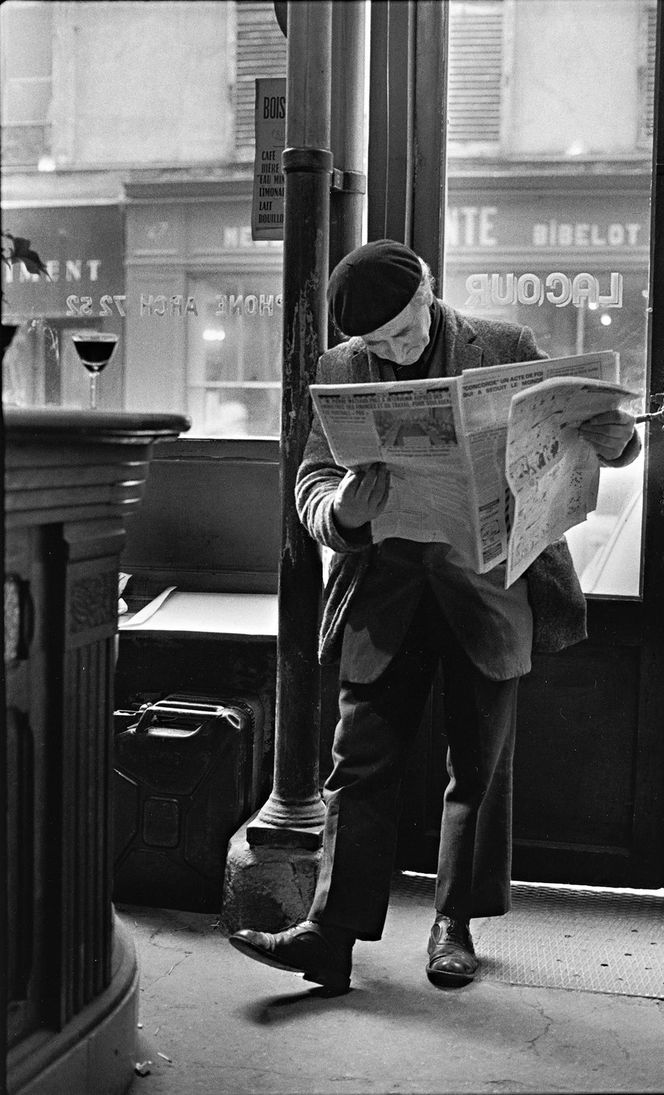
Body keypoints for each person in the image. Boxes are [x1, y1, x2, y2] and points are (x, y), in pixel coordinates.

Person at [230, 239, 641, 996]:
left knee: (477, 765)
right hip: (384, 586)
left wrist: (616, 440)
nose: (398, 345)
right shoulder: (342, 369)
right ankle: (333, 932)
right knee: (358, 763)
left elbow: (578, 436)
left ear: (428, 286)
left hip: (488, 584)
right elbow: (314, 481)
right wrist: (342, 510)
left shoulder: (504, 346)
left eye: (406, 325)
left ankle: (455, 922)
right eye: (378, 341)